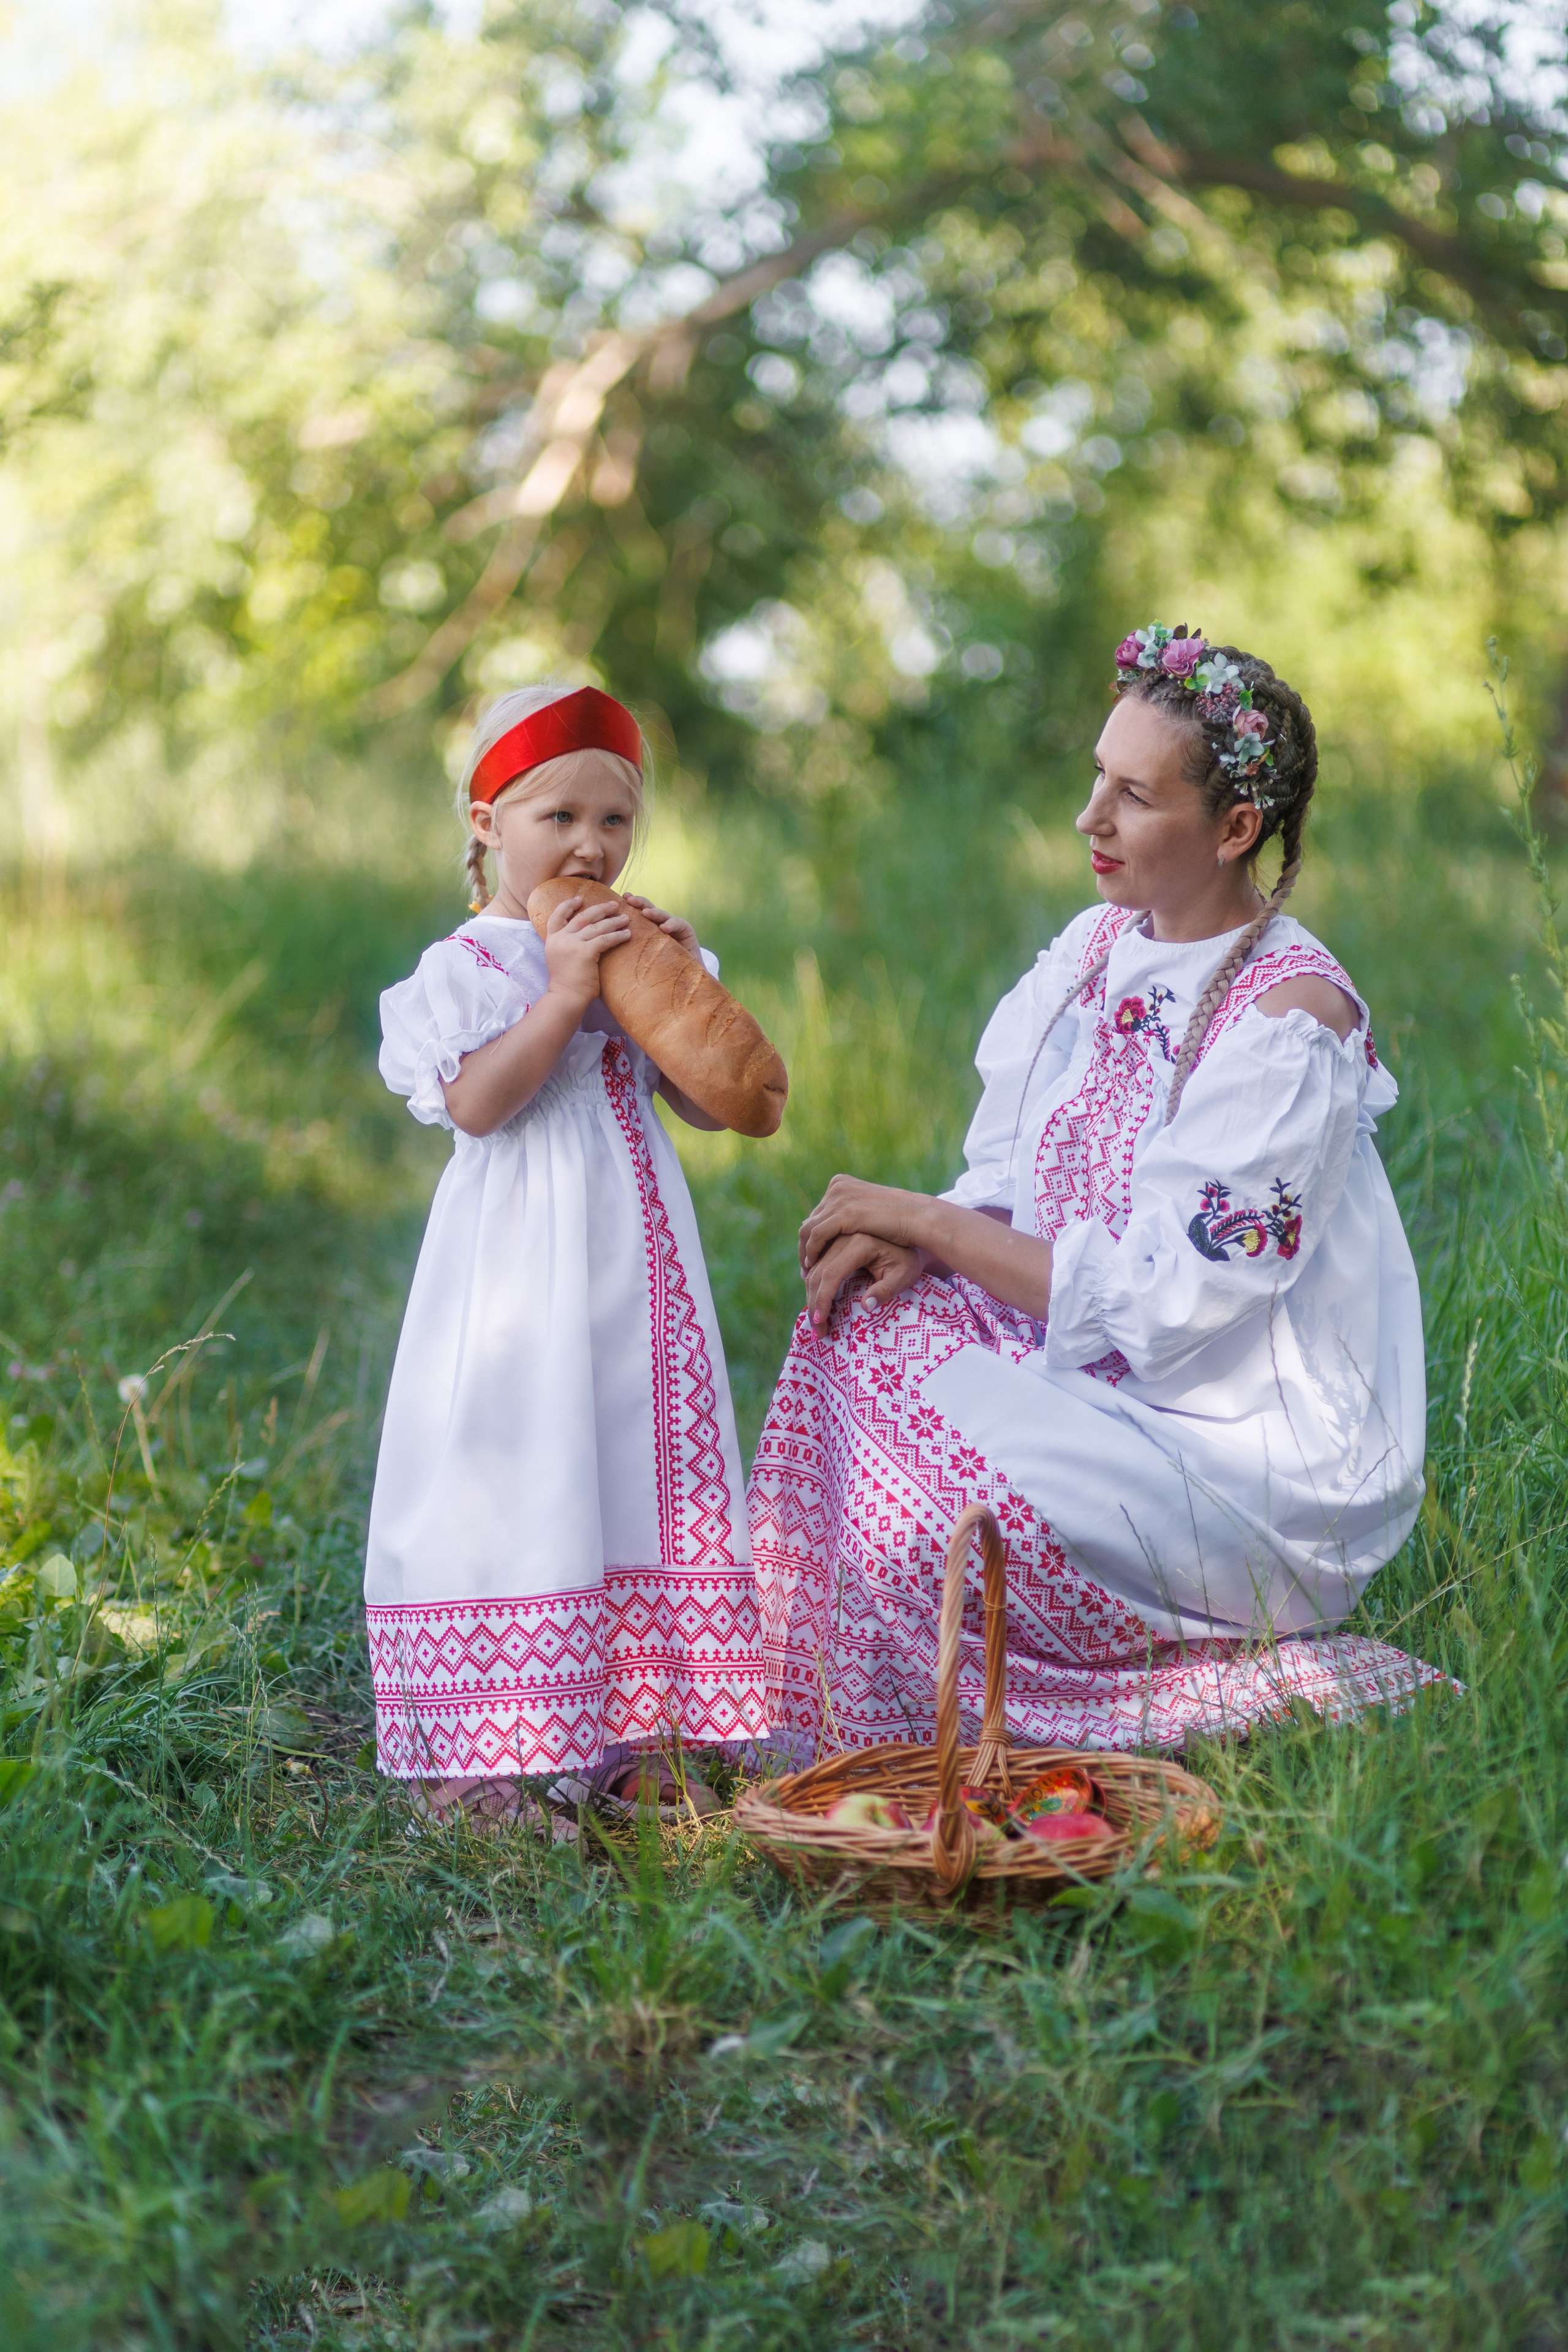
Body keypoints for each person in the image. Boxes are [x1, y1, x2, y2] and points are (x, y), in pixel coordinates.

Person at [750, 624, 1441, 1757]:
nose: (1090, 819)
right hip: (1087, 1362)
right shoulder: (1092, 949)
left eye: (1133, 795)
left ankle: (1017, 1707)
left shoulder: (1289, 1024)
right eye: (1095, 778)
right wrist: (932, 1241)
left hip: (1233, 1454)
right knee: (852, 1324)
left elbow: (1174, 1313)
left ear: (1234, 829)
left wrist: (929, 1222)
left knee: (916, 1483)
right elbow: (1010, 1179)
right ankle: (840, 1713)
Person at [365, 684, 766, 1823]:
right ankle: (489, 1750)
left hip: (636, 1258)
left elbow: (703, 1108)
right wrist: (569, 994)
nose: (591, 846)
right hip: (514, 1269)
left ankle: (644, 1725)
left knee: (632, 1456)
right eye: (559, 819)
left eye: (616, 821)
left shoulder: (628, 944)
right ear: (488, 823)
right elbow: (483, 1106)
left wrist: (681, 996)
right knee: (517, 1457)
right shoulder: (465, 969)